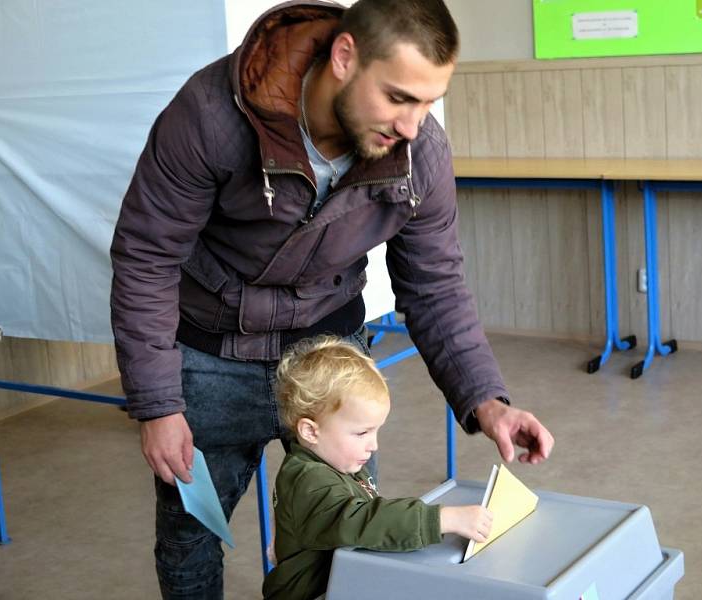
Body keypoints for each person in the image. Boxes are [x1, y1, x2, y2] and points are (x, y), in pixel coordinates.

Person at [110, 0, 554, 597]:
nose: (413, 126)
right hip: (209, 353)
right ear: (344, 58)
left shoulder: (420, 153)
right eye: (399, 97)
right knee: (190, 535)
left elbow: (435, 284)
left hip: (330, 351)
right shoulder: (210, 113)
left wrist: (487, 401)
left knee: (348, 535)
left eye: (428, 103)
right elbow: (146, 259)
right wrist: (159, 404)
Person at [263, 336, 493, 600]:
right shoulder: (308, 478)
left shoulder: (338, 460)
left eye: (375, 431)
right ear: (310, 431)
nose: (373, 445)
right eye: (361, 433)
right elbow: (363, 520)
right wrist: (442, 519)